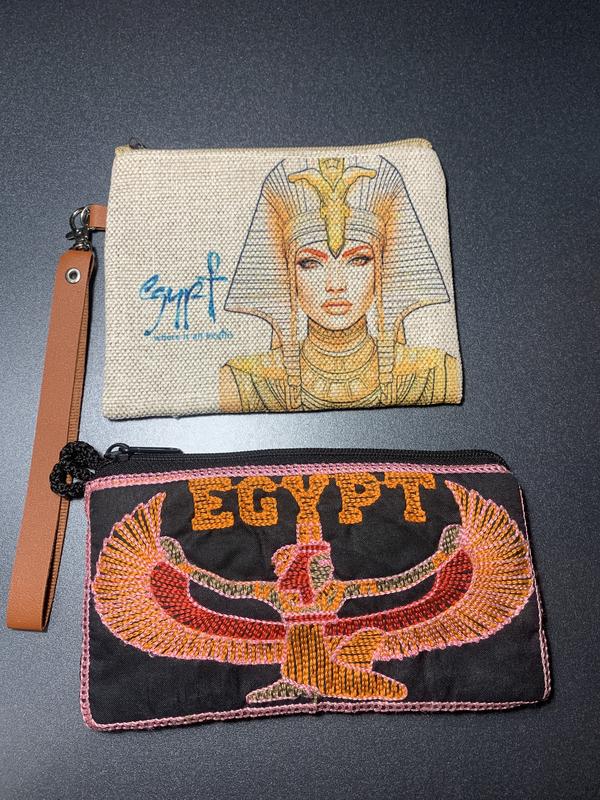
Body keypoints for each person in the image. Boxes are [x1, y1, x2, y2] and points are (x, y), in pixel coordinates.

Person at [220, 156, 459, 412]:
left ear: (384, 269)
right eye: (310, 263)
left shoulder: (437, 371)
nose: (335, 285)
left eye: (358, 260)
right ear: (286, 274)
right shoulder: (243, 379)